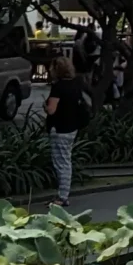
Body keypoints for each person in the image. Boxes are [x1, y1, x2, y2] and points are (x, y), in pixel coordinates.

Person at [42, 53, 89, 208]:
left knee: (61, 162)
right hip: (71, 127)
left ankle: (63, 196)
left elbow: (51, 110)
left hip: (59, 129)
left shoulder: (58, 87)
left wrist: (46, 105)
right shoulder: (75, 84)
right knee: (66, 160)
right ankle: (63, 194)